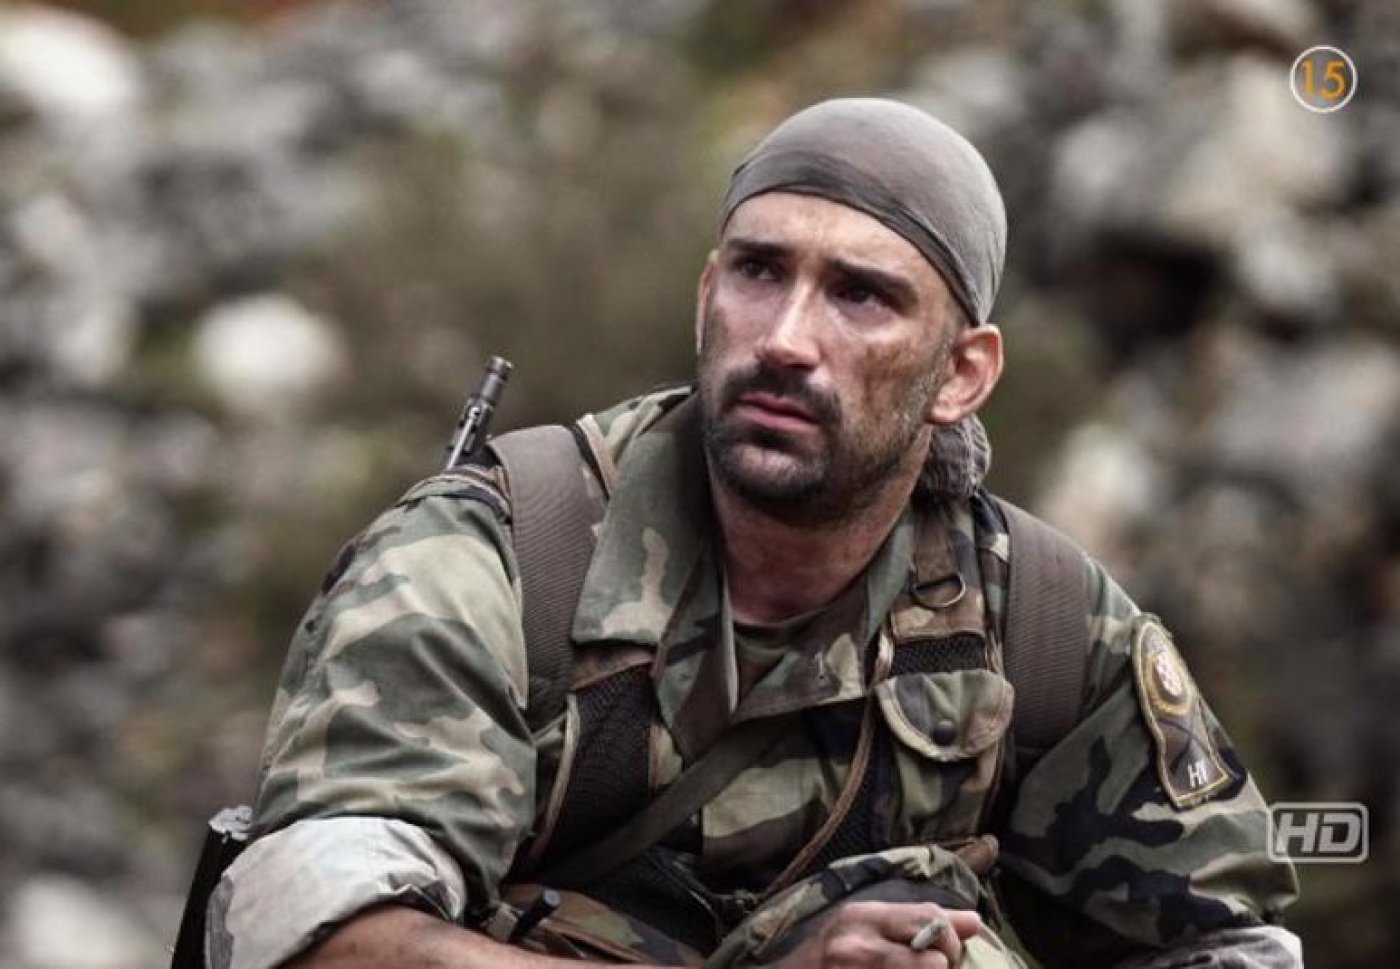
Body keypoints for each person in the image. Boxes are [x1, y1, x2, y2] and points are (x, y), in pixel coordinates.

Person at [206, 98, 1301, 968]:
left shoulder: (1047, 629)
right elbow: (326, 937)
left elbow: (1231, 944)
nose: (783, 339)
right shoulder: (498, 556)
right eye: (759, 271)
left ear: (961, 374)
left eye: (860, 297)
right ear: (705, 297)